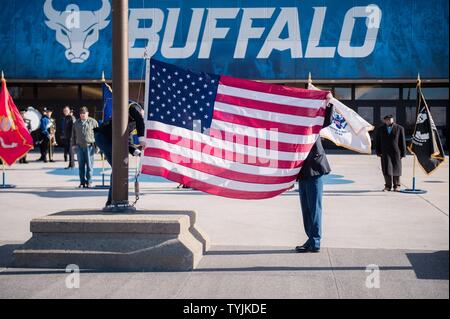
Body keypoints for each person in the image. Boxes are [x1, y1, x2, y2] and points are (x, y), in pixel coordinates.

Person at [295, 98, 334, 253]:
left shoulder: (314, 123)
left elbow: (327, 120)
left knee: (314, 208)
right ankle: (310, 239)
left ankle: (315, 241)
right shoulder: (294, 127)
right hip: (302, 172)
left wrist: (329, 103)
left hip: (315, 170)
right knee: (306, 210)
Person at [94, 101, 146, 208]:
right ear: (141, 110)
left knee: (119, 167)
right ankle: (112, 201)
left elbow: (128, 137)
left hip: (108, 138)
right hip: (104, 137)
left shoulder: (131, 118)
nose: (143, 116)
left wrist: (136, 151)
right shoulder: (134, 107)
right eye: (144, 113)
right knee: (118, 167)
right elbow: (140, 120)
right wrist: (142, 139)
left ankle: (112, 200)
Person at [375, 115, 407, 192]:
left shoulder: (399, 128)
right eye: (386, 120)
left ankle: (397, 186)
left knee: (396, 169)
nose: (388, 121)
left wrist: (403, 153)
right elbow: (377, 141)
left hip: (396, 152)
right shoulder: (380, 129)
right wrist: (378, 151)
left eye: (390, 119)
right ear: (384, 121)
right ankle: (387, 186)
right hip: (384, 152)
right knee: (386, 169)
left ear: (393, 120)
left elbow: (402, 141)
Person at [71, 107, 98, 188]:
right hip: (79, 147)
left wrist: (97, 146)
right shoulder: (76, 123)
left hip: (90, 146)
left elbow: (98, 135)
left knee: (89, 166)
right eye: (81, 114)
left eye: (84, 113)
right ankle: (82, 182)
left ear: (87, 113)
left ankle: (89, 182)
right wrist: (73, 145)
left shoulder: (93, 122)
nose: (82, 115)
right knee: (81, 166)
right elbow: (73, 135)